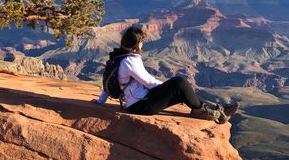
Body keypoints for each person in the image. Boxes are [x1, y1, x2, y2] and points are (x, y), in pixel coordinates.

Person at [93, 26, 239, 123]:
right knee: (179, 83)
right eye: (142, 42)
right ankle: (212, 111)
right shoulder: (130, 61)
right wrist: (168, 87)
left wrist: (100, 101)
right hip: (140, 106)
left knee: (181, 90)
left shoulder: (117, 56)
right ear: (137, 44)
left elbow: (108, 80)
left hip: (137, 101)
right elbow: (149, 82)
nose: (143, 45)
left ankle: (217, 110)